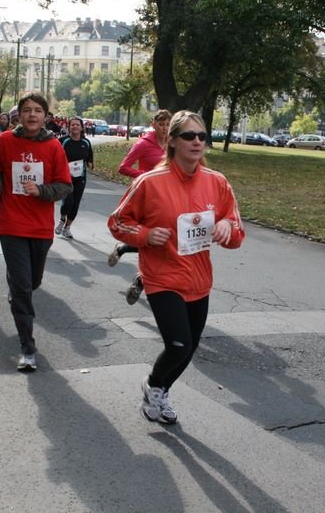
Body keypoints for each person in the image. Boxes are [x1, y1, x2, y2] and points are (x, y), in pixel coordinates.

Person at [108, 110, 245, 424]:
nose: (197, 142)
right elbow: (117, 222)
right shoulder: (149, 182)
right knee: (179, 344)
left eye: (202, 136)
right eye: (188, 136)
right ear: (171, 140)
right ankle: (156, 384)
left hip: (198, 279)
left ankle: (157, 388)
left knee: (189, 348)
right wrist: (144, 235)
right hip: (162, 277)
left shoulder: (217, 182)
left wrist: (226, 227)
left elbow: (237, 232)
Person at [0, 93, 72, 371]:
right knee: (23, 288)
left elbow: (65, 185)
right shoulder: (5, 141)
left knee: (32, 282)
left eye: (37, 111)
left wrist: (42, 191)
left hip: (40, 228)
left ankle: (17, 284)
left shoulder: (54, 146)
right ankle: (27, 346)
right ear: (18, 115)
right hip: (11, 225)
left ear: (45, 116)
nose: (32, 115)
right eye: (26, 110)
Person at [107, 109, 172, 304]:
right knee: (153, 241)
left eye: (168, 124)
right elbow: (123, 167)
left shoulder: (173, 144)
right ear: (154, 124)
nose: (165, 128)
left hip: (167, 198)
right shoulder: (143, 144)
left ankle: (125, 250)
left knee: (164, 241)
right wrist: (145, 176)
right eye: (161, 124)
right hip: (145, 198)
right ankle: (140, 280)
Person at [55, 116, 94, 239]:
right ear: (69, 127)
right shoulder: (62, 141)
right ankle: (62, 220)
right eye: (73, 125)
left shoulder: (86, 142)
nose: (75, 127)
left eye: (77, 125)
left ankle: (67, 227)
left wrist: (90, 164)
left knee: (75, 203)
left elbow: (89, 158)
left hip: (80, 178)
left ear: (82, 127)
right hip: (65, 176)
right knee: (68, 201)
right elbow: (55, 157)